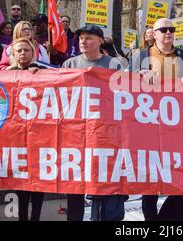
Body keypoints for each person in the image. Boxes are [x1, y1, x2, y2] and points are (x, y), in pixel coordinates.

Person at [130, 18, 183, 221]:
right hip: (149, 127)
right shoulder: (141, 55)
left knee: (180, 176)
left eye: (172, 29)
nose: (168, 32)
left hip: (177, 127)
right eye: (163, 29)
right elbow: (126, 87)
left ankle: (176, 218)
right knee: (149, 180)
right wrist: (139, 75)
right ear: (154, 34)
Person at [62, 25, 126, 221]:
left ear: (100, 41)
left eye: (89, 38)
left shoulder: (113, 64)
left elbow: (123, 96)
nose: (83, 41)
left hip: (105, 134)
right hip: (77, 134)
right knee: (75, 184)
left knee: (104, 182)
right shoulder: (69, 65)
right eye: (81, 38)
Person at [9, 38, 46, 221]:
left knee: (37, 184)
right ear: (13, 55)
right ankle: (22, 217)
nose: (23, 53)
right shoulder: (5, 75)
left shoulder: (42, 72)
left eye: (26, 50)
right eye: (19, 51)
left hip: (38, 139)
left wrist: (40, 74)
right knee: (20, 184)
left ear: (33, 53)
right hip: (16, 139)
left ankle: (36, 218)